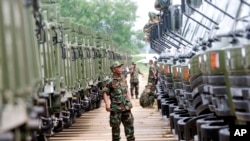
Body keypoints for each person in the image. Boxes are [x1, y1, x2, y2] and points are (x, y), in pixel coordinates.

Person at [102, 61, 135, 141]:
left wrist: (129, 100)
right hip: (116, 110)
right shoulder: (110, 81)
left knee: (130, 130)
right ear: (114, 70)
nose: (121, 69)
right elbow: (105, 93)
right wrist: (107, 104)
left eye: (121, 67)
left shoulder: (123, 79)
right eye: (118, 67)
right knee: (116, 132)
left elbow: (126, 91)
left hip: (126, 108)